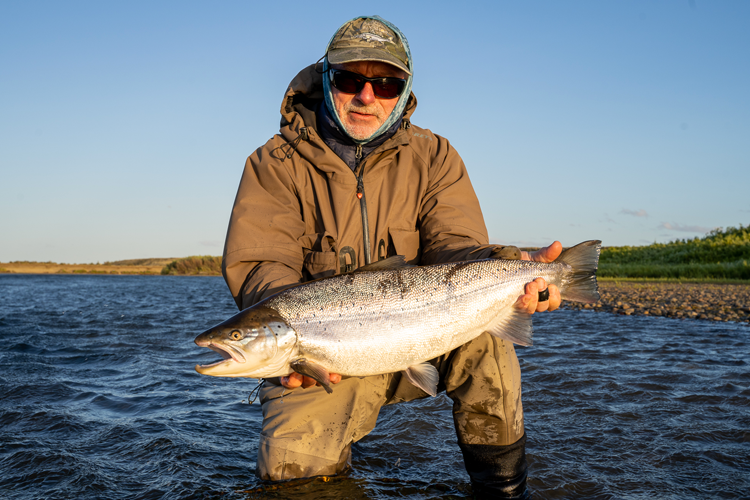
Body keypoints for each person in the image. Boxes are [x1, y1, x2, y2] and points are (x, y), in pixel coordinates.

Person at [221, 15, 562, 499]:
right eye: (349, 79)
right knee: (290, 474)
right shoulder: (273, 164)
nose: (366, 96)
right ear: (325, 78)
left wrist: (519, 270)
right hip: (325, 356)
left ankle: (503, 491)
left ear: (403, 90)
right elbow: (261, 266)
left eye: (385, 83)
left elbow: (457, 248)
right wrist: (285, 353)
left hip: (428, 333)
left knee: (490, 344)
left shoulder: (435, 155)